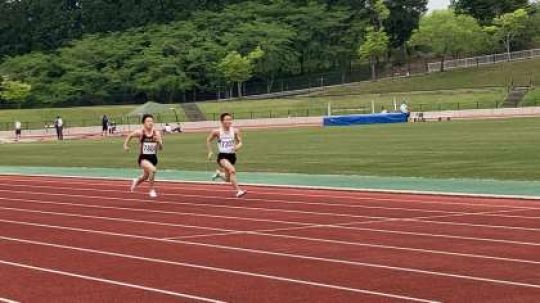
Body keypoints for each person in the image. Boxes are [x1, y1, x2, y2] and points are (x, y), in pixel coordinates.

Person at [207, 113, 246, 198]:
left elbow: (240, 142)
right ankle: (239, 191)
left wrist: (237, 147)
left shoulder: (235, 131)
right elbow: (208, 140)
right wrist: (210, 151)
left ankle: (219, 174)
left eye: (230, 119)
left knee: (228, 179)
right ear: (222, 121)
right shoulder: (216, 132)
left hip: (232, 156)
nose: (229, 121)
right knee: (232, 170)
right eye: (227, 119)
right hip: (222, 156)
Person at [123, 114, 163, 198]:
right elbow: (130, 135)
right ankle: (151, 190)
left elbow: (161, 148)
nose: (150, 123)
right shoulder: (141, 132)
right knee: (153, 170)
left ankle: (136, 181)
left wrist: (158, 141)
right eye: (148, 121)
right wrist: (125, 145)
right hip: (143, 158)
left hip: (153, 158)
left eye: (151, 121)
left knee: (145, 176)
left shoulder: (156, 133)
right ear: (144, 123)